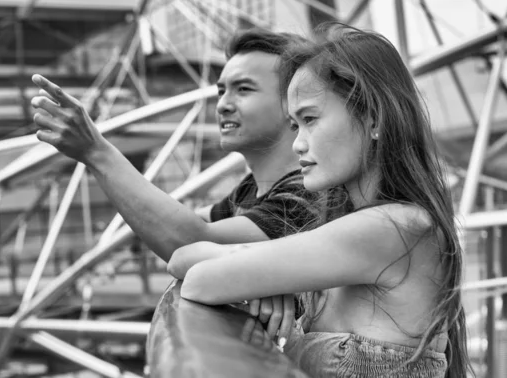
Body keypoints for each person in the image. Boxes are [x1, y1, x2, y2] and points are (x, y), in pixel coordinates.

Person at [168, 23, 470, 377]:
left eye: (310, 119)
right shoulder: (349, 226)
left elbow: (201, 277)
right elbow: (181, 258)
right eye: (295, 125)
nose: (298, 144)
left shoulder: (397, 228)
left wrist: (258, 275)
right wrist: (264, 278)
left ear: (373, 118)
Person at [30, 28, 321, 344]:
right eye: (221, 90)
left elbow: (188, 239)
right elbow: (186, 223)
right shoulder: (251, 190)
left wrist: (97, 152)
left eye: (244, 89)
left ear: (292, 104)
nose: (223, 104)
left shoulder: (305, 195)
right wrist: (253, 266)